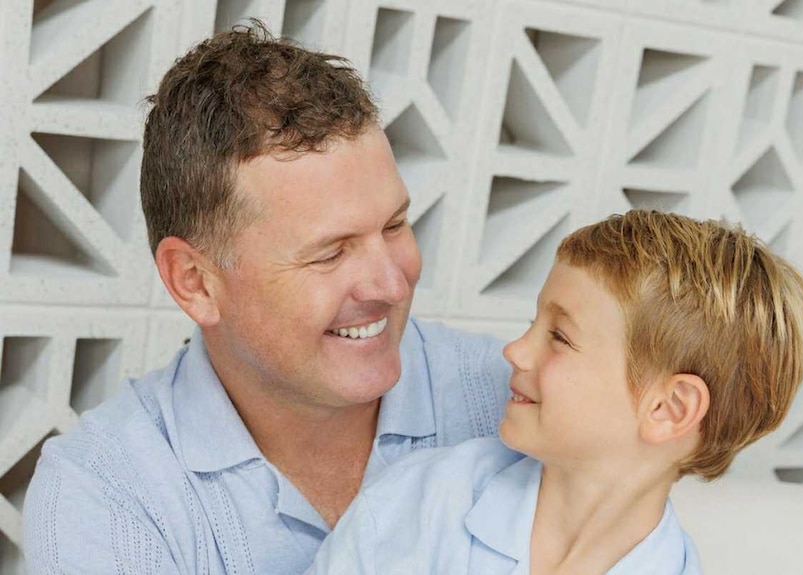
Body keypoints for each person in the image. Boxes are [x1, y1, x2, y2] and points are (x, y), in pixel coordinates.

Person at [23, 22, 510, 574]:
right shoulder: (105, 494)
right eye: (330, 254)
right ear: (195, 281)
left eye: (395, 226)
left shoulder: (515, 399)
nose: (392, 286)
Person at [307, 210, 803, 575]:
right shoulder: (422, 503)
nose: (515, 351)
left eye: (559, 337)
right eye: (534, 323)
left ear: (669, 408)